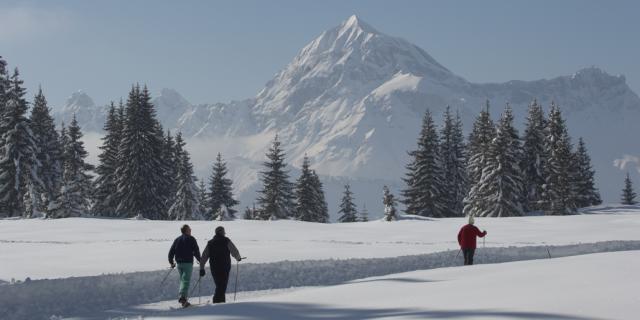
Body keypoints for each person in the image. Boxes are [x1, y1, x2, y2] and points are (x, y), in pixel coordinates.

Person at [199, 226, 242, 303]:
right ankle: (216, 302)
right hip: (224, 267)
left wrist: (202, 268)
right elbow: (234, 251)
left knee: (219, 284)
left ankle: (221, 302)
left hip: (214, 267)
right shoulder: (226, 240)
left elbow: (204, 256)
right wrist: (238, 258)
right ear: (222, 232)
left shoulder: (210, 242)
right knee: (222, 285)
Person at [168, 224, 201, 307]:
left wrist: (171, 262)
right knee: (185, 281)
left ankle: (183, 298)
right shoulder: (191, 239)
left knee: (183, 280)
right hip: (188, 263)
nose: (191, 230)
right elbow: (196, 250)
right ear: (186, 230)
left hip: (179, 264)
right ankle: (183, 298)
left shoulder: (177, 239)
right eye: (189, 229)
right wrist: (200, 260)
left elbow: (171, 252)